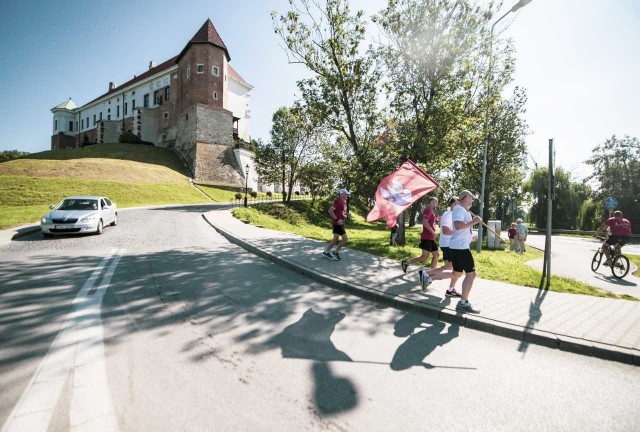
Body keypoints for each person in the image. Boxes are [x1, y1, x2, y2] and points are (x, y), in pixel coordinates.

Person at [449, 190, 483, 314]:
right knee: (471, 274)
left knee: (458, 273)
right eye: (471, 196)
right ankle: (463, 303)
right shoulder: (459, 209)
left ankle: (430, 278)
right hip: (460, 247)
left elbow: (461, 229)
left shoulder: (463, 210)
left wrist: (470, 237)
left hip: (460, 245)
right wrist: (474, 222)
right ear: (464, 197)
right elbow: (458, 225)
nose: (473, 199)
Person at [401, 197, 438, 292]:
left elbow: (430, 222)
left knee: (436, 255)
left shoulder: (431, 211)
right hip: (427, 237)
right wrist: (432, 232)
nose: (436, 204)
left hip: (431, 238)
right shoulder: (427, 210)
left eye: (436, 202)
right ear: (430, 202)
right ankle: (406, 263)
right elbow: (425, 222)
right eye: (434, 202)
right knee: (424, 257)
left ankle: (432, 272)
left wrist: (436, 220)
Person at [426, 197, 461, 297]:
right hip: (448, 244)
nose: (458, 206)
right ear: (452, 204)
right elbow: (445, 230)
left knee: (450, 267)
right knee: (455, 269)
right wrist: (458, 234)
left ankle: (426, 274)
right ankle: (429, 277)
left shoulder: (455, 214)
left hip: (452, 244)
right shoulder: (448, 215)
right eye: (457, 204)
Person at [322, 189, 350, 261]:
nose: (347, 195)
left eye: (347, 194)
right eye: (346, 194)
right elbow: (330, 211)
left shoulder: (344, 203)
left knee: (335, 238)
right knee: (345, 239)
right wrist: (338, 220)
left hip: (339, 223)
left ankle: (326, 251)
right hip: (337, 223)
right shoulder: (338, 201)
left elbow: (342, 213)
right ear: (341, 194)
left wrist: (346, 215)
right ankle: (335, 252)